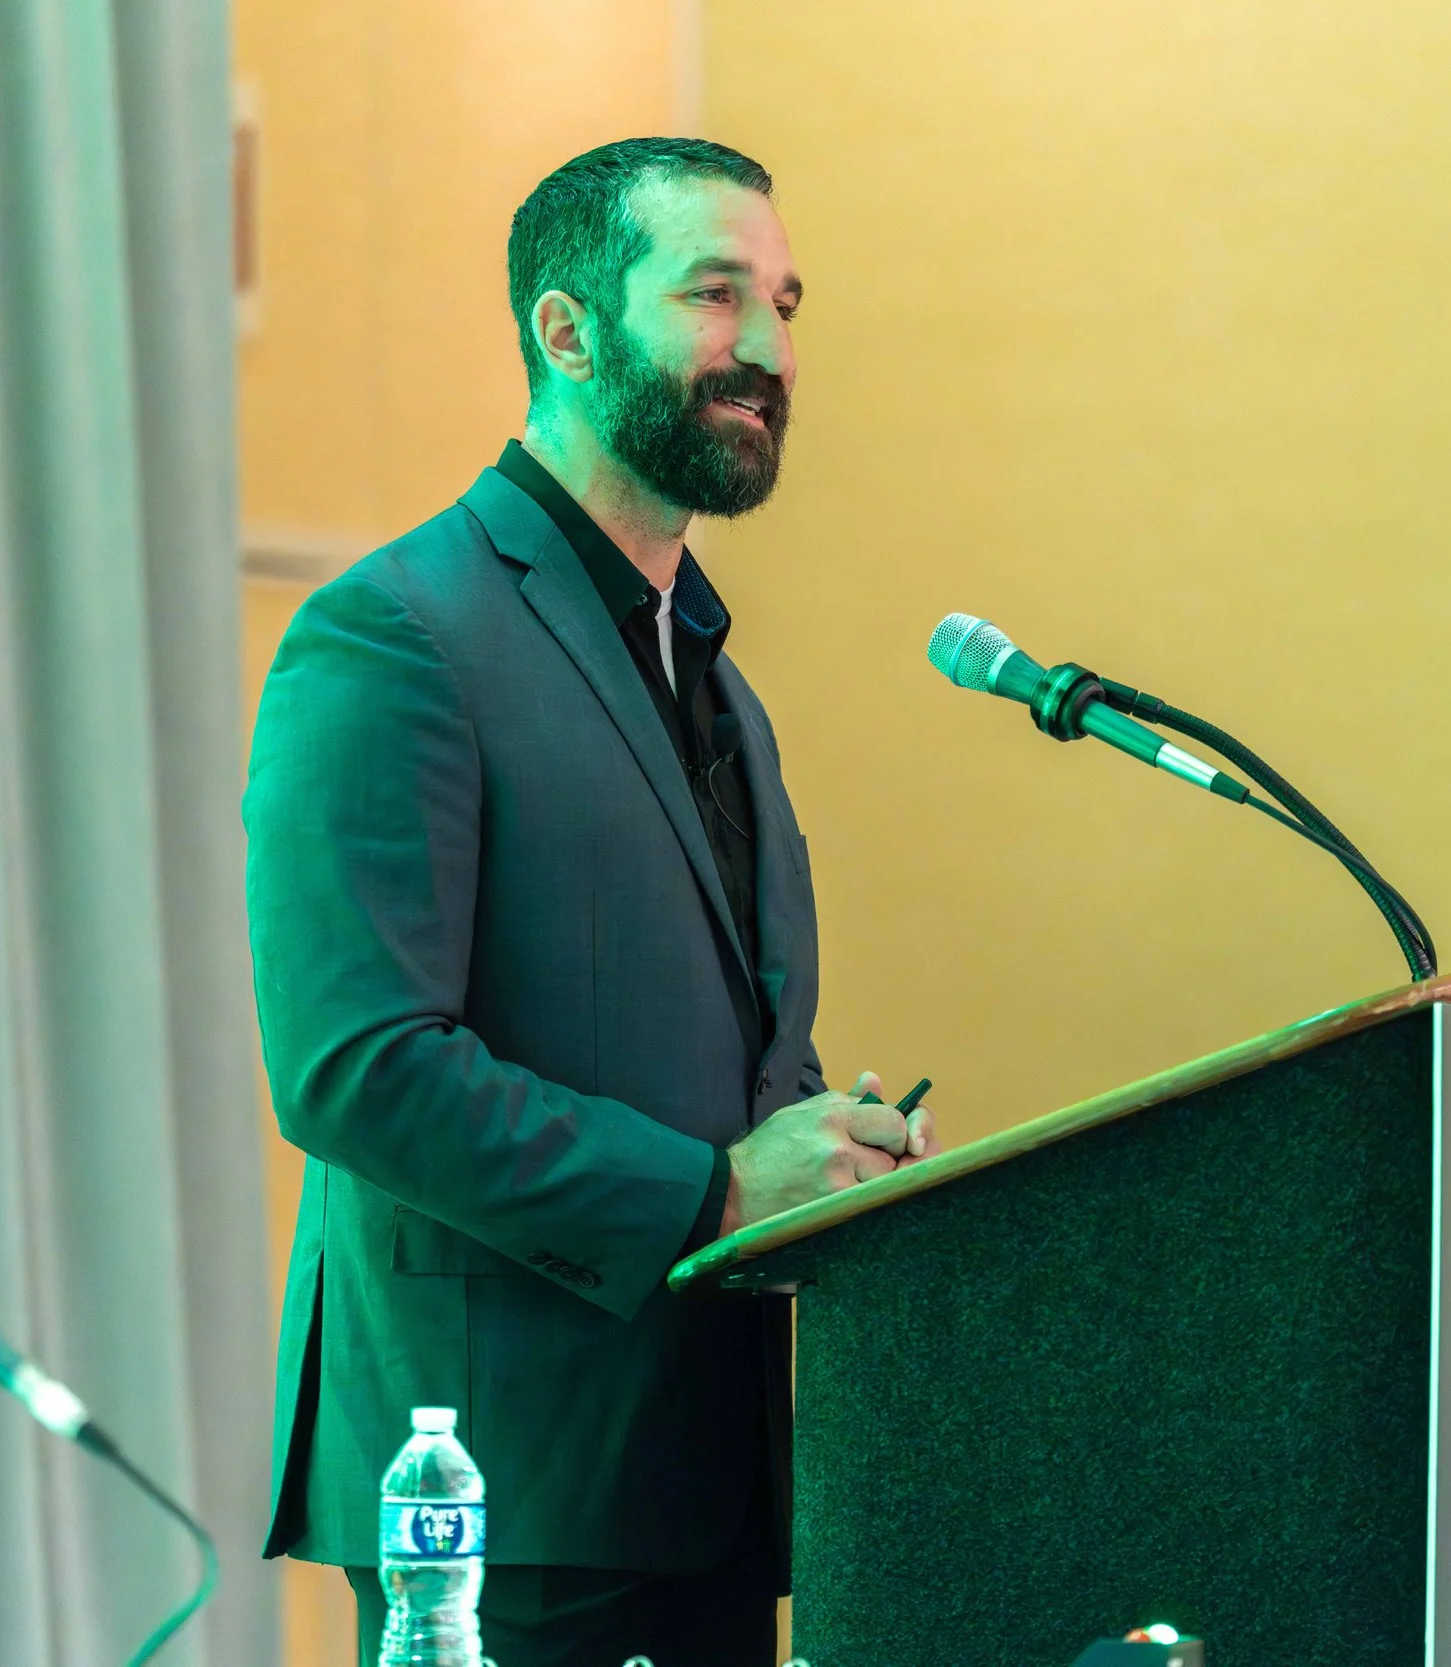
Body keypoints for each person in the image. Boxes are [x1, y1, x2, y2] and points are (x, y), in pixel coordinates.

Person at [244, 136, 939, 1667]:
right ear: (564, 331)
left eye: (785, 300)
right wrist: (717, 1191)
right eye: (712, 294)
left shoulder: (719, 682)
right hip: (505, 1504)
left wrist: (834, 1161)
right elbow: (355, 1067)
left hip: (711, 1476)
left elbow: (730, 1067)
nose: (766, 347)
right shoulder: (394, 633)